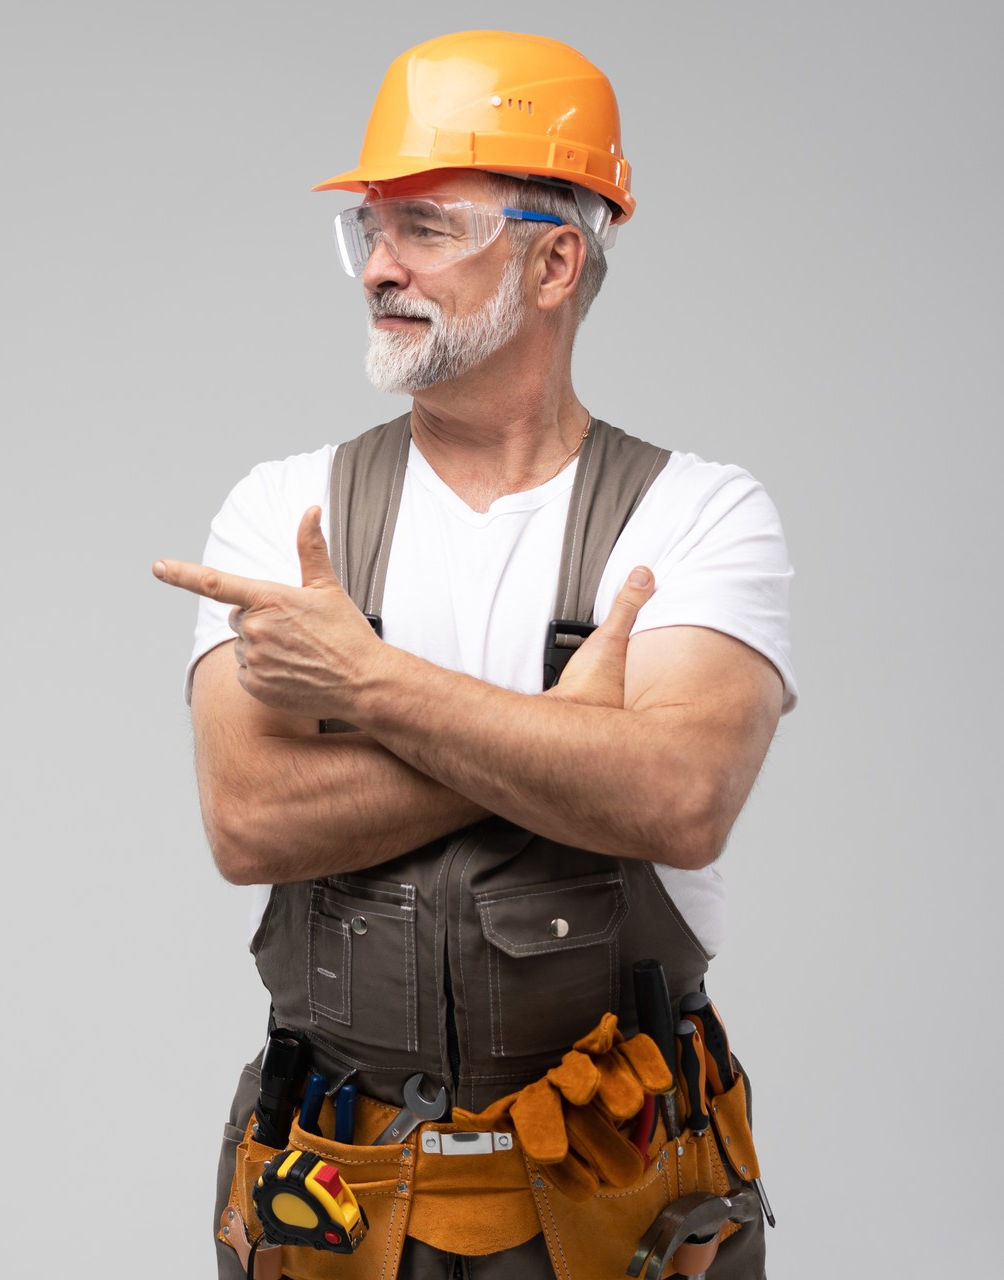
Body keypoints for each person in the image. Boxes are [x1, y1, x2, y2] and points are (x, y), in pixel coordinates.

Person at [151, 31, 795, 1280]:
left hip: (623, 1215)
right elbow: (249, 821)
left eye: (427, 226)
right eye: (367, 230)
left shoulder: (700, 515)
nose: (377, 266)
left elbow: (675, 795)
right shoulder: (285, 510)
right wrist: (563, 738)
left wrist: (367, 686)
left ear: (556, 259)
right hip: (334, 1211)